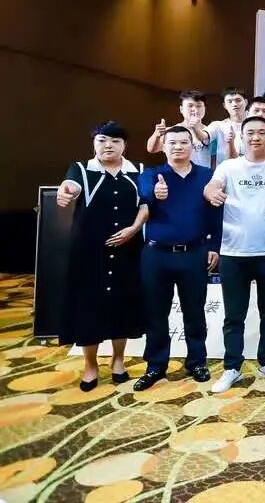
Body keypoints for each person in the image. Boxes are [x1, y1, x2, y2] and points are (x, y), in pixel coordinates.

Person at [204, 115, 265, 393]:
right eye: (250, 132)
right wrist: (211, 193)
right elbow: (211, 186)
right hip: (234, 252)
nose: (256, 137)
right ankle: (232, 367)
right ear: (242, 137)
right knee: (234, 315)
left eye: (262, 132)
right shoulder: (229, 167)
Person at [56, 122, 147, 391]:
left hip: (128, 249)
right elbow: (70, 186)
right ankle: (90, 365)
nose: (108, 145)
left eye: (115, 141)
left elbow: (146, 204)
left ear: (124, 146)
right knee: (89, 307)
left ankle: (118, 360)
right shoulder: (81, 169)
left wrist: (134, 229)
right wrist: (65, 191)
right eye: (102, 140)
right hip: (89, 253)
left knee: (123, 304)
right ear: (94, 144)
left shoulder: (138, 171)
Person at [134, 126, 221, 391]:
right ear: (163, 146)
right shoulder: (151, 175)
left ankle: (197, 362)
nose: (178, 147)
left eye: (184, 142)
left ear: (193, 146)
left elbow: (215, 213)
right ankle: (155, 365)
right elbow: (144, 196)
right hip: (156, 254)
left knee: (195, 311)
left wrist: (214, 245)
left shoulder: (206, 175)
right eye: (172, 142)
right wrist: (155, 195)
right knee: (155, 312)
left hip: (193, 253)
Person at [146, 90, 212, 168]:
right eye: (190, 106)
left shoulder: (211, 131)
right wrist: (156, 135)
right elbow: (151, 149)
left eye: (199, 106)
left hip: (205, 174)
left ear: (205, 108)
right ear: (181, 109)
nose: (194, 109)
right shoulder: (171, 131)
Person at [208, 87, 247, 165]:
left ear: (245, 102)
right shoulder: (218, 126)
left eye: (238, 100)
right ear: (224, 105)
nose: (234, 104)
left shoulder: (254, 125)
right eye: (230, 101)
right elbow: (203, 137)